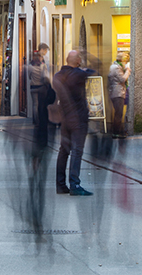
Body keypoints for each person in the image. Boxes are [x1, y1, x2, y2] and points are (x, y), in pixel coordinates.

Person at [53, 50, 95, 196]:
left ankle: (60, 184)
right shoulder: (78, 74)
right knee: (77, 151)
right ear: (77, 60)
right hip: (78, 118)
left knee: (64, 151)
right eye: (80, 58)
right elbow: (94, 70)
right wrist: (83, 67)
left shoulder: (57, 76)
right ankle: (74, 184)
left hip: (64, 118)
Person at [108, 52, 131, 138]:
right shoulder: (116, 68)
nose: (126, 61)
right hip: (117, 93)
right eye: (125, 59)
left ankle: (118, 131)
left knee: (118, 113)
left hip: (116, 92)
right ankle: (116, 132)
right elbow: (122, 79)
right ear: (122, 59)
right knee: (118, 113)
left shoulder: (115, 66)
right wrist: (128, 71)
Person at [29, 52, 50, 127]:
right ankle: (42, 119)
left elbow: (29, 76)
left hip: (33, 86)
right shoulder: (43, 66)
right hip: (42, 87)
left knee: (35, 104)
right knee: (42, 104)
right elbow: (46, 75)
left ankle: (36, 121)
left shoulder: (31, 66)